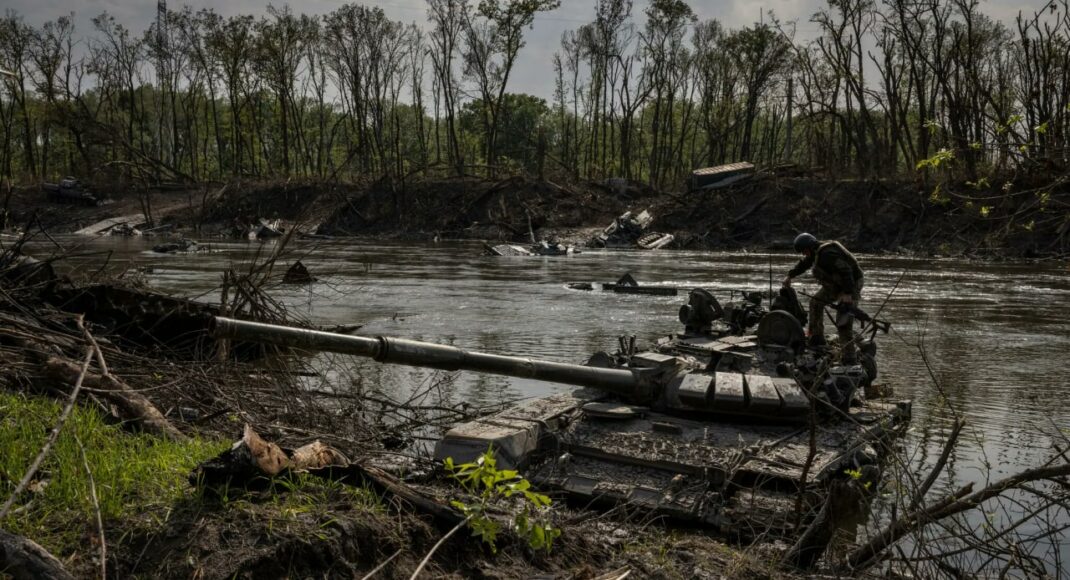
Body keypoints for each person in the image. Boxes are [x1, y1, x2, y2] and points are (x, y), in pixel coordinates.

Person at [782, 233, 864, 360]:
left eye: (804, 251)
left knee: (843, 322)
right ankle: (816, 338)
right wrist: (790, 275)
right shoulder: (815, 253)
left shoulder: (827, 254)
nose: (804, 254)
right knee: (815, 303)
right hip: (835, 284)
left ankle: (849, 357)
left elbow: (846, 271)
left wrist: (848, 294)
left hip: (851, 284)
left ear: (809, 247)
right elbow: (804, 263)